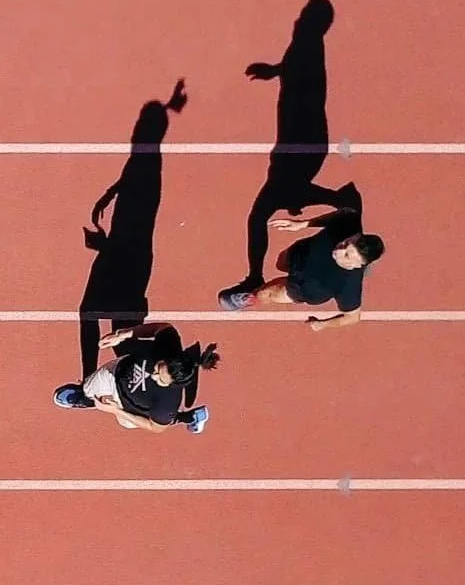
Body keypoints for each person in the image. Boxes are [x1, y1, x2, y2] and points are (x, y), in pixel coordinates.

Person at [217, 0, 371, 319]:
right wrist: (276, 71)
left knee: (263, 211)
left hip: (302, 148)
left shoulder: (310, 51)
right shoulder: (308, 50)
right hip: (302, 149)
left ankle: (255, 278)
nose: (298, 22)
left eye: (303, 19)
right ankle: (337, 201)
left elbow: (309, 87)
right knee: (282, 199)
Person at [76, 81, 188, 380]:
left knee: (104, 322)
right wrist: (110, 193)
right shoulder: (144, 162)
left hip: (126, 259)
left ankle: (171, 365)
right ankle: (92, 378)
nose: (135, 129)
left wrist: (103, 245)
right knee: (115, 328)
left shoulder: (148, 168)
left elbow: (134, 230)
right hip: (126, 255)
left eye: (140, 124)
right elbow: (130, 182)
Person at [221, 188, 381, 331]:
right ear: (356, 235)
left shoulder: (348, 285)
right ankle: (265, 280)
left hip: (307, 287)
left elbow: (353, 317)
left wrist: (323, 324)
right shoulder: (349, 222)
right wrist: (304, 224)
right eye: (345, 243)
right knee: (281, 263)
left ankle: (251, 298)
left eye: (347, 255)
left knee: (267, 294)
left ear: (358, 265)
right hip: (302, 253)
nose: (339, 250)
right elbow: (341, 215)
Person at [53, 323, 218, 434]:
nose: (151, 375)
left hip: (129, 407)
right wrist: (122, 335)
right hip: (116, 372)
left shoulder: (168, 402)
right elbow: (161, 328)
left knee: (126, 423)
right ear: (168, 358)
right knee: (89, 388)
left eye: (159, 379)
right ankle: (86, 397)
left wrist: (117, 411)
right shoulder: (169, 343)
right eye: (157, 368)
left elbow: (156, 427)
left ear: (173, 385)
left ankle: (187, 417)